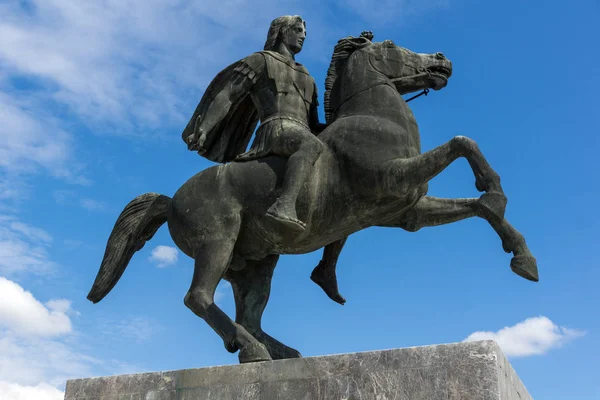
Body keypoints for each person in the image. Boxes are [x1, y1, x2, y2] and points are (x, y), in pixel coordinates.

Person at [182, 15, 346, 304]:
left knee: (344, 183)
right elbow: (228, 95)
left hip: (301, 132)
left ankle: (327, 266)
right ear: (281, 32)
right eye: (297, 29)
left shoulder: (307, 76)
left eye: (305, 31)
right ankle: (284, 206)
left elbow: (313, 123)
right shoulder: (260, 60)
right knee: (309, 145)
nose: (303, 35)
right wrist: (204, 126)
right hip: (276, 128)